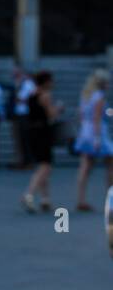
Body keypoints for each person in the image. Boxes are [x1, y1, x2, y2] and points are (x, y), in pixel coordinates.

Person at [21, 72, 64, 213]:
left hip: (32, 131)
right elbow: (52, 115)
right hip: (42, 133)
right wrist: (58, 108)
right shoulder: (45, 95)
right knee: (45, 166)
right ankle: (29, 194)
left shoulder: (32, 93)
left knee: (42, 165)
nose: (53, 83)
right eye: (51, 80)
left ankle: (45, 199)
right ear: (45, 82)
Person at [72, 69, 113, 212]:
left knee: (84, 167)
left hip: (85, 131)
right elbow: (97, 118)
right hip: (96, 132)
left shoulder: (86, 95)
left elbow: (80, 115)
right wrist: (97, 138)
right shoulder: (99, 96)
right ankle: (110, 199)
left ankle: (81, 199)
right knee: (110, 165)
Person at [9, 67, 37, 171]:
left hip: (26, 115)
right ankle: (22, 161)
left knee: (26, 139)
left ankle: (28, 161)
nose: (15, 76)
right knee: (19, 139)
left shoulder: (28, 84)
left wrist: (19, 98)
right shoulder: (19, 84)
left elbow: (23, 98)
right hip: (18, 114)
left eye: (16, 73)